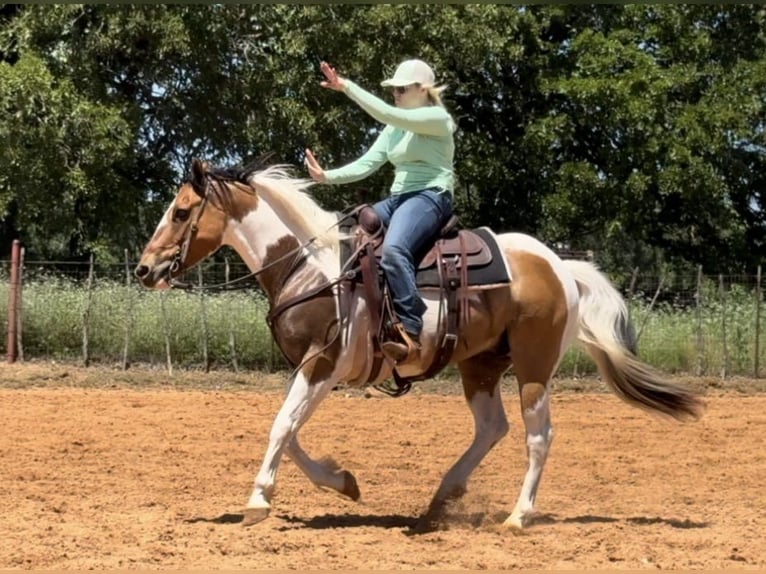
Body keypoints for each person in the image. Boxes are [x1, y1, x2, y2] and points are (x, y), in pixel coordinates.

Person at [305, 59, 456, 366]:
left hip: (430, 195)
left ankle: (411, 328)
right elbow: (367, 164)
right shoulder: (394, 129)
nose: (395, 94)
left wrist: (346, 87)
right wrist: (326, 176)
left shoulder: (437, 118)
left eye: (401, 89)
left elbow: (388, 113)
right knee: (349, 228)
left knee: (395, 250)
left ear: (422, 90)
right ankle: (359, 318)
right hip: (398, 198)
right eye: (393, 89)